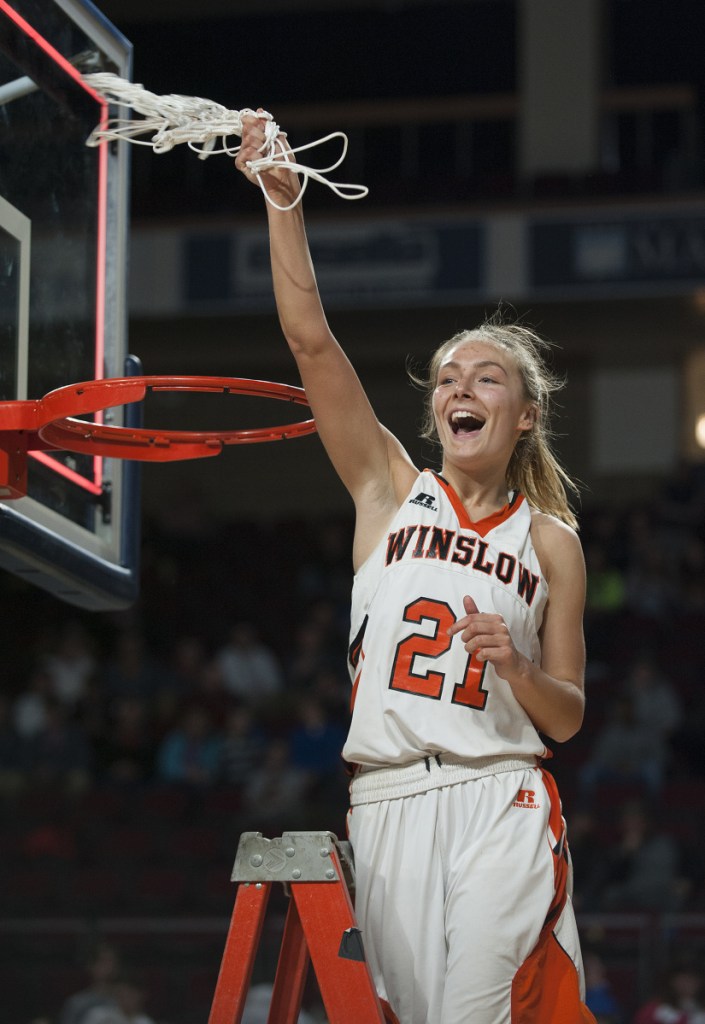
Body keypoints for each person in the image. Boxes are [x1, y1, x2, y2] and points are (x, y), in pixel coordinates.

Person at [235, 116, 595, 1024]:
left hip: (498, 796)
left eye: (484, 378)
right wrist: (285, 205)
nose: (458, 388)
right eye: (445, 377)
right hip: (386, 801)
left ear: (523, 417)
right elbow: (313, 344)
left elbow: (568, 714)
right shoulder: (387, 489)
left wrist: (515, 669)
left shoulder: (550, 540)